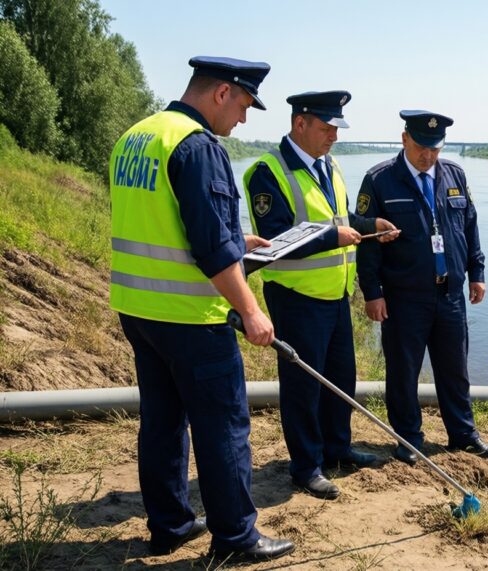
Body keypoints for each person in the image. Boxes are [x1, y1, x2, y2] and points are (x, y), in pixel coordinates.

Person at [109, 56, 293, 562]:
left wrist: (236, 239)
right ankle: (236, 538)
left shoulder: (137, 137)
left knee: (162, 422)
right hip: (191, 317)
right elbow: (210, 250)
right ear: (221, 93)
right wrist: (251, 311)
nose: (244, 118)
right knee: (224, 427)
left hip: (139, 311)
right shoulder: (197, 146)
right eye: (244, 104)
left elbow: (164, 221)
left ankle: (169, 525)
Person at [242, 91, 398, 500]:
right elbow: (275, 238)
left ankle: (337, 448)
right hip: (296, 297)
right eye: (327, 128)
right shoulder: (267, 171)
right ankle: (306, 466)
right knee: (303, 386)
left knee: (340, 378)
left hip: (335, 295)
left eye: (337, 129)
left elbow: (341, 220)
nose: (334, 136)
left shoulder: (331, 165)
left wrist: (371, 224)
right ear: (300, 124)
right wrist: (333, 237)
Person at [355, 110, 488, 465]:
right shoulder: (379, 180)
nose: (428, 155)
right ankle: (409, 439)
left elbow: (470, 226)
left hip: (450, 294)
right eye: (421, 147)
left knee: (455, 370)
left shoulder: (455, 174)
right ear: (405, 138)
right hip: (404, 297)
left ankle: (464, 435)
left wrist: (477, 272)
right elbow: (367, 243)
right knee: (403, 373)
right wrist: (372, 292)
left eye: (435, 148)